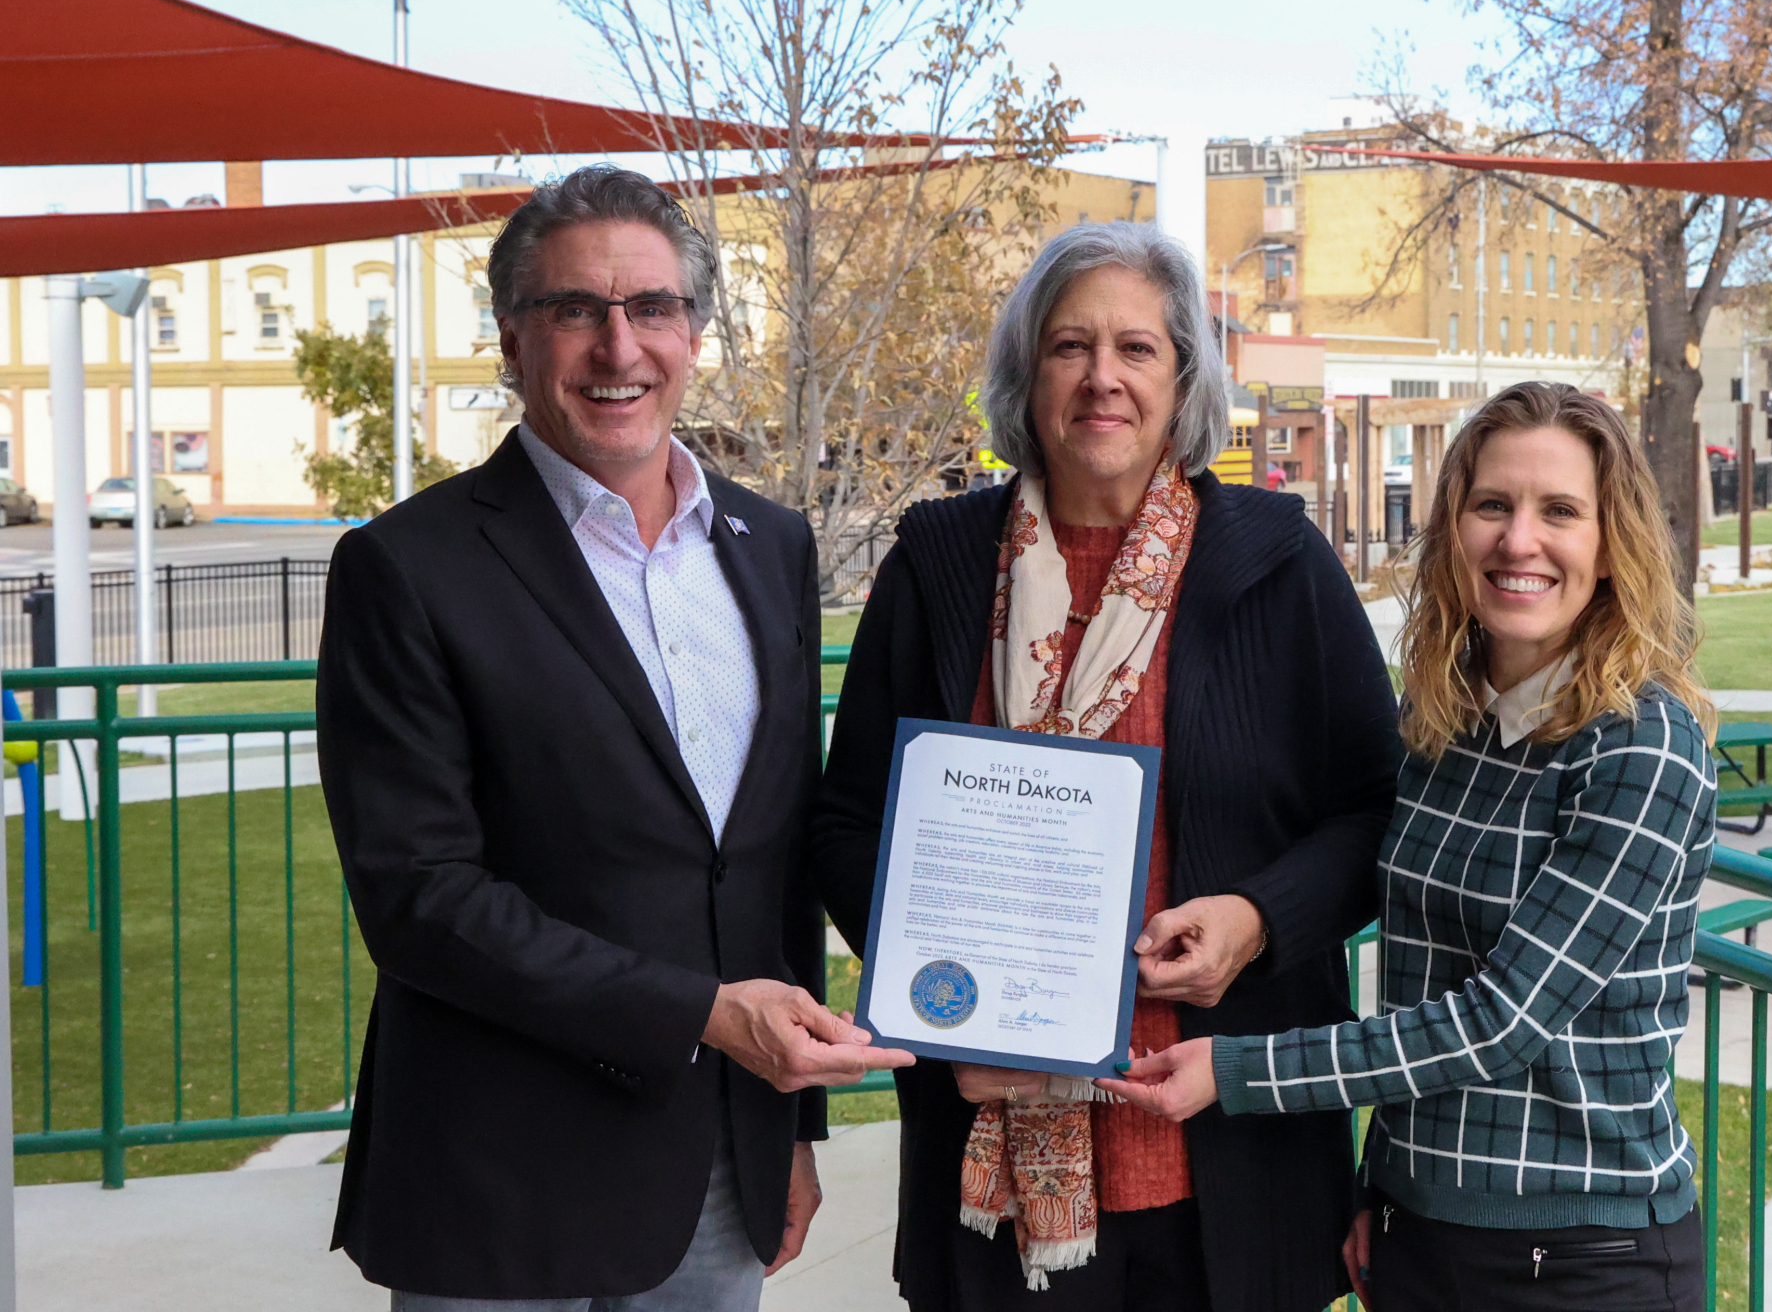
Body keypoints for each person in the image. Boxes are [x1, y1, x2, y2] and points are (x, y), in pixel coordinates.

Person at [316, 164, 911, 1310]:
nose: (618, 347)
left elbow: (767, 861)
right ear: (511, 337)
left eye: (652, 308)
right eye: (574, 309)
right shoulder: (408, 568)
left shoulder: (768, 546)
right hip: (501, 1171)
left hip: (719, 1168)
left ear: (692, 332)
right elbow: (419, 897)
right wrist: (698, 1013)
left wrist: (792, 1130)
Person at [812, 220, 1400, 1312]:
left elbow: (1375, 811)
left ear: (1183, 381)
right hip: (988, 1160)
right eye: (1069, 347)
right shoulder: (937, 565)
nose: (1101, 378)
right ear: (1026, 375)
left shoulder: (1278, 564)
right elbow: (847, 825)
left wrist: (1261, 919)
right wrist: (937, 1016)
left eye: (1137, 348)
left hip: (1231, 1155)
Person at [1107, 381, 1721, 1312]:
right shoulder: (1444, 717)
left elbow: (1501, 1021)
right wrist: (1382, 1187)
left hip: (1584, 1253)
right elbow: (1417, 978)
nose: (1520, 541)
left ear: (1611, 544)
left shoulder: (1642, 744)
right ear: (1454, 528)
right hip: (1416, 1236)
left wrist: (1235, 1072)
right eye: (1492, 506)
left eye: (1560, 511)